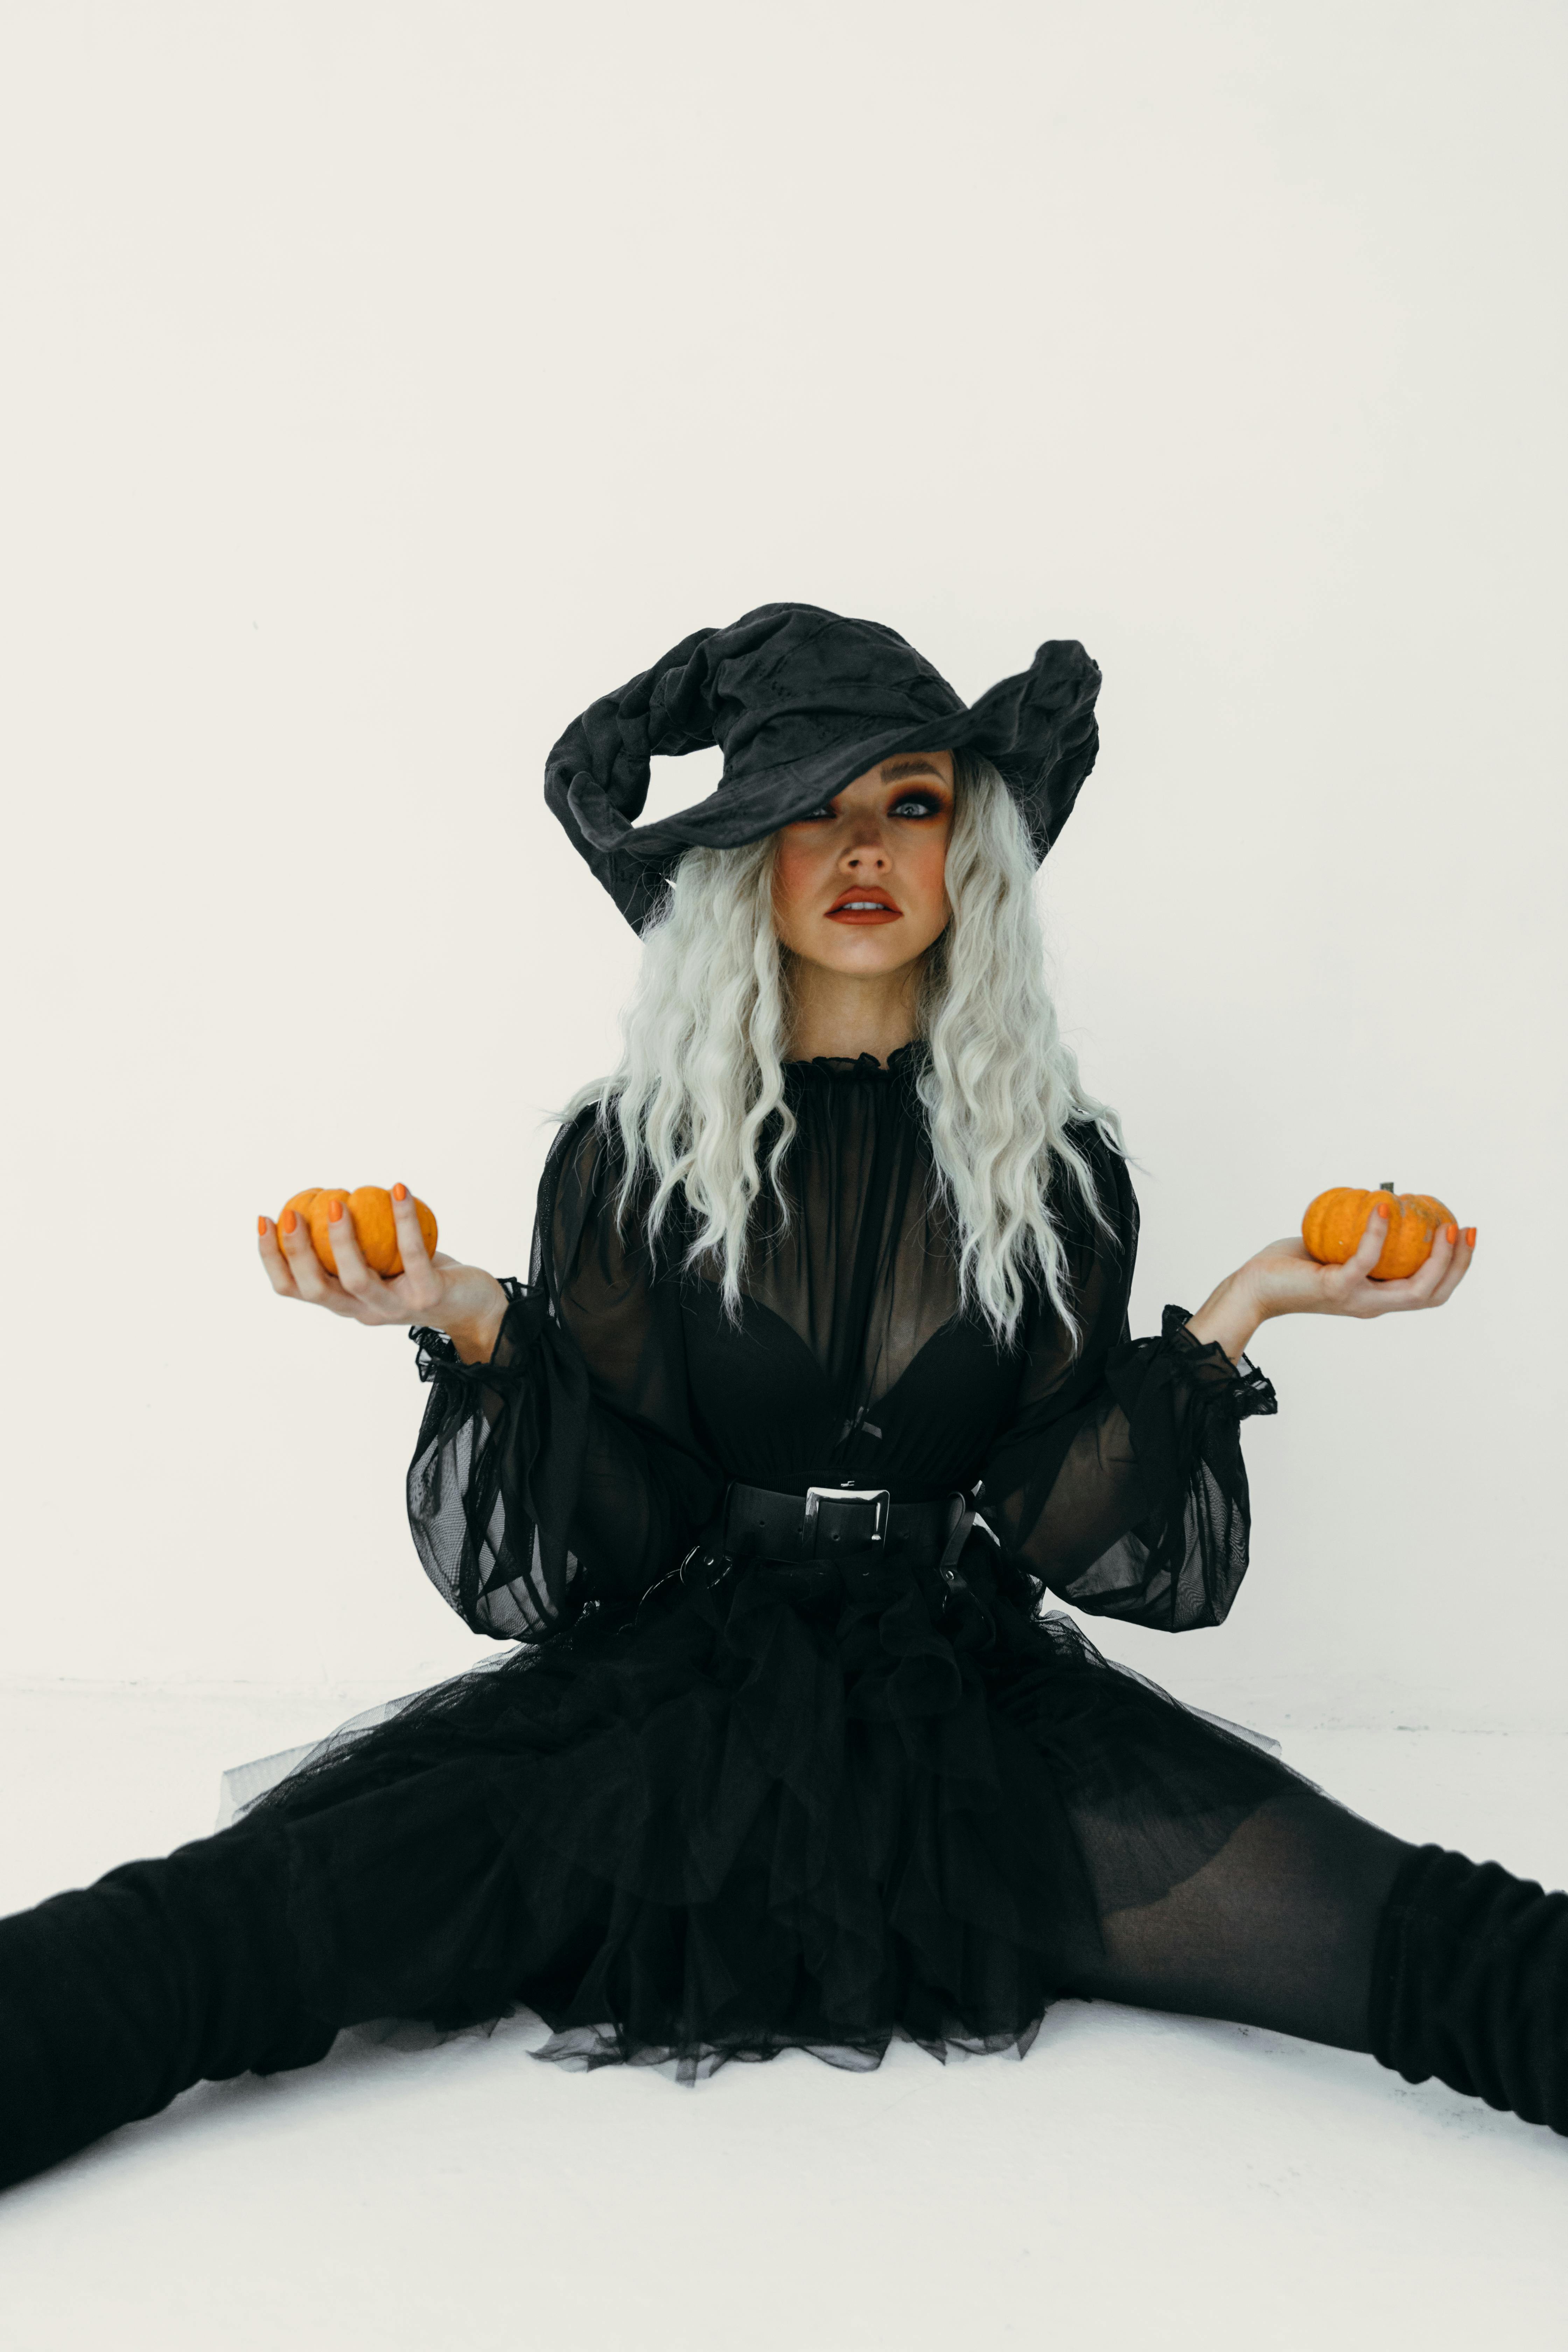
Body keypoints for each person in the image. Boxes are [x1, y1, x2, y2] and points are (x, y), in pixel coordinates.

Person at [1, 601, 1562, 2191]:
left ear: (972, 856)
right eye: (808, 811)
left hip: (974, 1729)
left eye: (910, 804)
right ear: (745, 857)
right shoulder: (629, 1156)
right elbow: (601, 1550)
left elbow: (1061, 1530)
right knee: (242, 1933)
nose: (860, 850)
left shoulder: (1063, 1174)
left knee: (1413, 1939)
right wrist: (474, 1325)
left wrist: (1238, 1318)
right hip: (662, 1715)